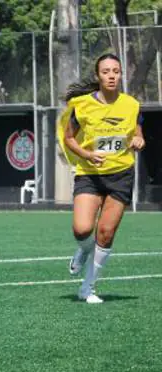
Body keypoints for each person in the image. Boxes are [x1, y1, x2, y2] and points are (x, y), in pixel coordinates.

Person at [57, 53, 145, 304]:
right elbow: (69, 138)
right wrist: (87, 154)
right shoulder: (82, 105)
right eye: (106, 71)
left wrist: (139, 140)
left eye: (115, 71)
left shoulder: (131, 105)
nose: (111, 76)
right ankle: (83, 251)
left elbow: (137, 134)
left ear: (120, 75)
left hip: (121, 174)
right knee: (83, 229)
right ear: (98, 76)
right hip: (90, 174)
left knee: (105, 233)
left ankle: (88, 288)